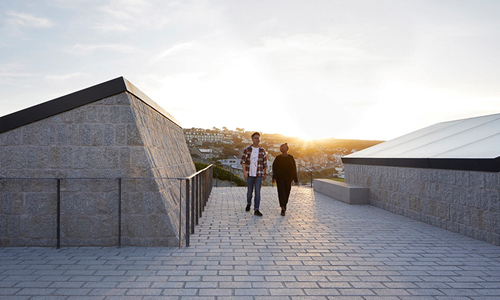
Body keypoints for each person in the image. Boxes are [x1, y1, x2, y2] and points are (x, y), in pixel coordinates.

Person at [241, 132, 268, 216]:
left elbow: (265, 163)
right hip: (249, 174)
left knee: (257, 192)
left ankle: (256, 209)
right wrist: (245, 172)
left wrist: (265, 173)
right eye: (256, 138)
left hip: (259, 175)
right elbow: (243, 161)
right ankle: (249, 203)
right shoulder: (247, 149)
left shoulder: (262, 150)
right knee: (249, 192)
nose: (257, 139)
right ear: (252, 139)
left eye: (259, 138)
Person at [272, 143, 298, 216]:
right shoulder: (278, 158)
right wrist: (274, 177)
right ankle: (282, 208)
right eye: (281, 147)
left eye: (283, 147)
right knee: (281, 192)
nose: (282, 149)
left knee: (287, 192)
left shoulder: (291, 158)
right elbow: (274, 168)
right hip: (280, 178)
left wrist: (295, 179)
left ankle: (285, 204)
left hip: (288, 178)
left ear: (287, 149)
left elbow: (294, 168)